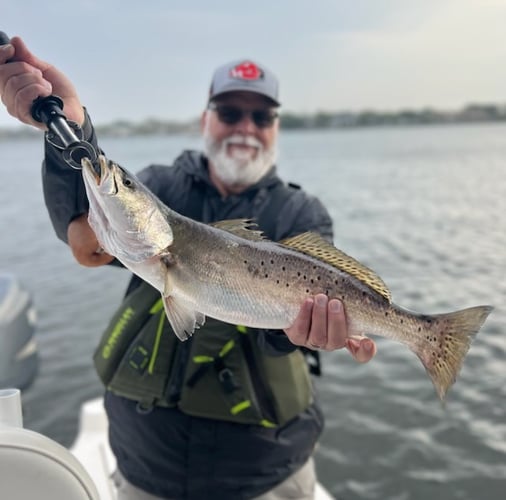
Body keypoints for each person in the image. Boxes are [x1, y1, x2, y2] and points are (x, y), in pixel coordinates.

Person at [0, 37, 377, 500]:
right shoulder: (161, 186)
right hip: (146, 464)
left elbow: (289, 341)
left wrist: (309, 330)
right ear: (205, 120)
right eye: (229, 112)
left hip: (264, 472)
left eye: (261, 116)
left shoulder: (300, 213)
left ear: (277, 128)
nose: (245, 127)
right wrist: (67, 124)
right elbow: (85, 241)